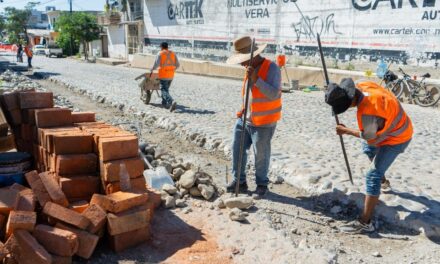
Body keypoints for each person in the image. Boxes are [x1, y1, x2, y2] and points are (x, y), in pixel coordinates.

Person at [325, 78, 413, 233]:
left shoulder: (368, 110)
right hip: (388, 124)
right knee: (369, 150)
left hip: (398, 136)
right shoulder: (363, 85)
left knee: (372, 175)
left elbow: (371, 138)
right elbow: (371, 137)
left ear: (351, 100)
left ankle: (365, 222)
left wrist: (346, 131)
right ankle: (383, 181)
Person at [225, 36, 282, 198]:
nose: (242, 64)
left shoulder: (272, 68)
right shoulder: (249, 67)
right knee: (237, 149)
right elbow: (250, 95)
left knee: (261, 155)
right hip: (245, 119)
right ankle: (239, 182)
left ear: (254, 55)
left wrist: (256, 79)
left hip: (264, 122)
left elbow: (274, 94)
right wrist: (243, 109)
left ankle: (262, 184)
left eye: (243, 60)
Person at [150, 42, 180, 112]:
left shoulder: (160, 53)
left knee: (163, 89)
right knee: (166, 90)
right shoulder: (173, 53)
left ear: (161, 47)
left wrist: (152, 69)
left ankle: (171, 101)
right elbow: (178, 65)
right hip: (171, 75)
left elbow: (156, 64)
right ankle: (164, 102)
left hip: (163, 75)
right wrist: (172, 69)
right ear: (167, 47)